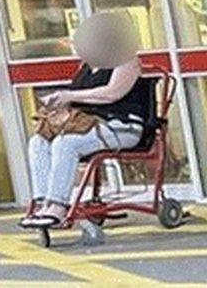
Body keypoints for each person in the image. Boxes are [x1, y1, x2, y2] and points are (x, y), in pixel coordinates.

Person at [20, 14, 149, 228]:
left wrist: (71, 96)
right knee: (38, 142)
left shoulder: (127, 61)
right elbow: (79, 97)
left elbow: (111, 94)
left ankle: (58, 206)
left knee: (66, 143)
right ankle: (43, 203)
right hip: (88, 126)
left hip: (122, 126)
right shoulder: (87, 68)